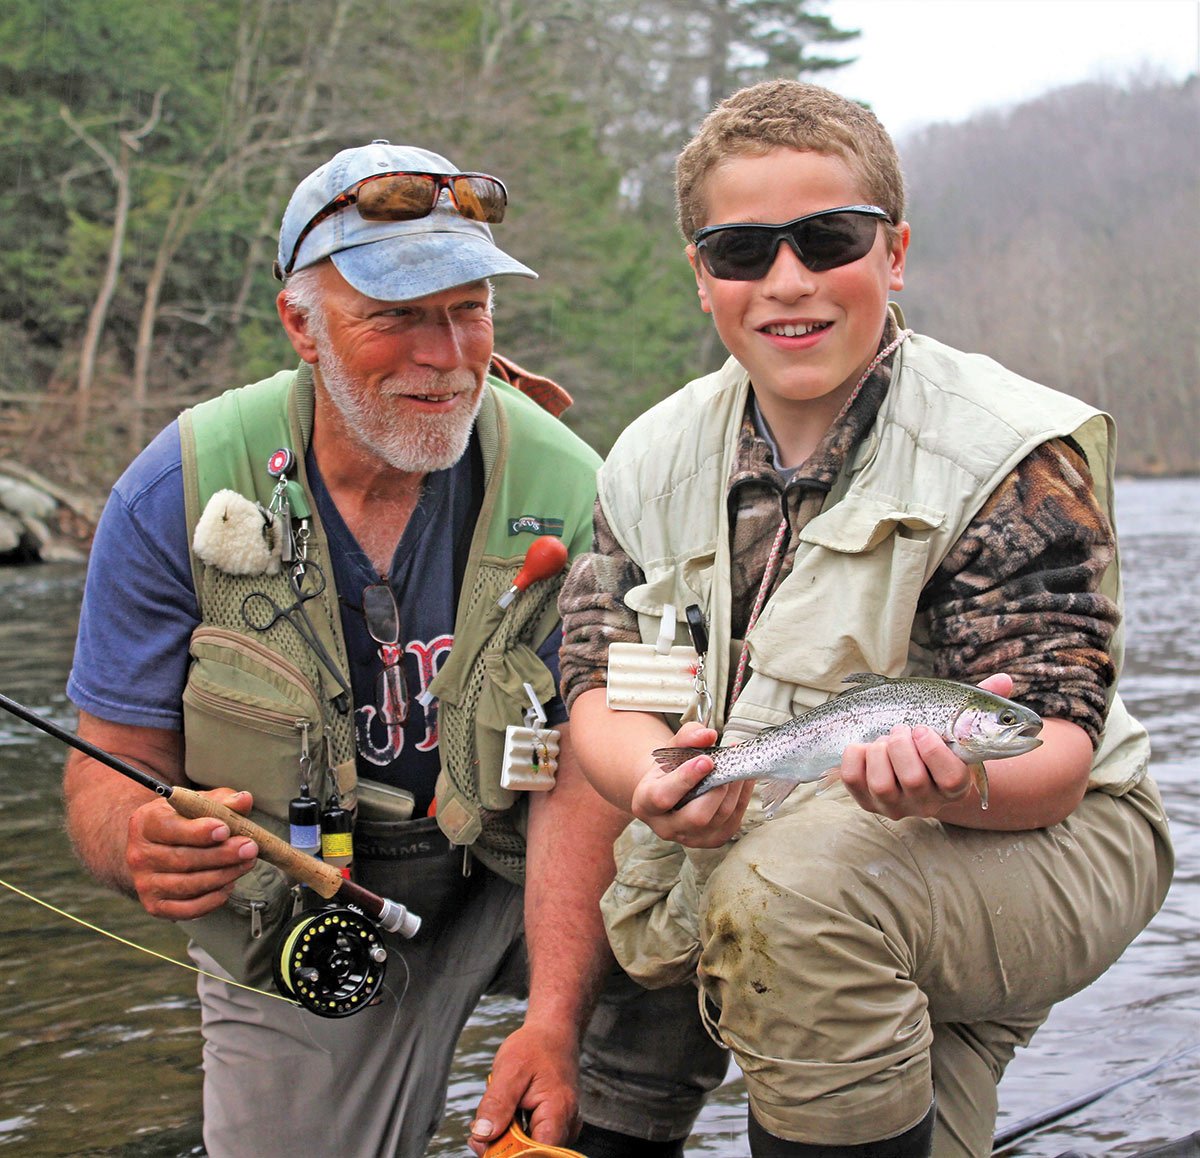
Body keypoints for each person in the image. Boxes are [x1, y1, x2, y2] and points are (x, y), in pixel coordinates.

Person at [62, 140, 726, 1158]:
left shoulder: (575, 487)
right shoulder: (175, 493)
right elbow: (108, 771)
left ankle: (615, 1135)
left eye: (469, 311)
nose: (445, 354)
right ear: (301, 325)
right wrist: (138, 843)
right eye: (396, 318)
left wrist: (552, 1017)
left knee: (699, 883)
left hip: (521, 872)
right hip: (309, 901)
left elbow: (595, 766)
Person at [558, 80, 1174, 1158]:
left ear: (893, 253)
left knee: (790, 895)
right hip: (797, 829)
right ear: (701, 276)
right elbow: (598, 686)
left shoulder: (1013, 454)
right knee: (630, 850)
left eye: (828, 240)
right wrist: (651, 779)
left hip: (1055, 832)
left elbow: (1056, 757)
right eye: (743, 252)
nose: (787, 282)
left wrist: (965, 775)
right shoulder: (648, 457)